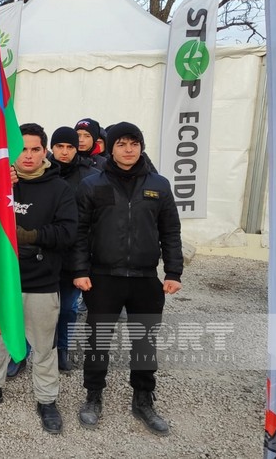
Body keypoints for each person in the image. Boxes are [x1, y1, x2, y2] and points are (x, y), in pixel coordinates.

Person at [0, 123, 76, 435]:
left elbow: (68, 232)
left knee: (43, 346)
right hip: (1, 282)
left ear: (45, 152)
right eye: (21, 149)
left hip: (40, 281)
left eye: (35, 149)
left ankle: (47, 400)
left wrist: (29, 236)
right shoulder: (2, 179)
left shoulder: (59, 188)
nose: (28, 155)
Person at [72, 122, 183, 436]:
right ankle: (93, 396)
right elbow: (80, 233)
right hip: (103, 278)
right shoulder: (93, 185)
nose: (129, 149)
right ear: (110, 147)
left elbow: (171, 232)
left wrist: (173, 271)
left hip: (145, 279)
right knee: (98, 340)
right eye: (121, 143)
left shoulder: (159, 185)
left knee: (144, 341)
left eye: (134, 143)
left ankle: (143, 398)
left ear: (141, 146)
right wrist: (80, 270)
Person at [47, 127, 98, 371]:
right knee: (35, 307)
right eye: (60, 147)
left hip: (74, 253)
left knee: (67, 308)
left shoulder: (91, 176)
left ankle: (62, 350)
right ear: (52, 148)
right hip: (44, 251)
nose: (64, 152)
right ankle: (25, 350)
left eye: (69, 147)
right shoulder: (39, 170)